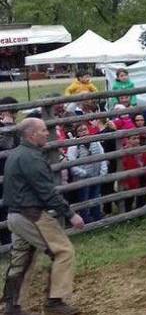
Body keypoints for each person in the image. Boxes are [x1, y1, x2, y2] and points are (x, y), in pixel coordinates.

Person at [1, 118, 84, 315]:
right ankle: (55, 301)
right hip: (31, 215)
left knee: (22, 259)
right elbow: (47, 191)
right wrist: (70, 214)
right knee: (63, 251)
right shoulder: (32, 158)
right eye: (44, 130)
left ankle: (12, 306)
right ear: (32, 134)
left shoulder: (16, 154)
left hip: (15, 216)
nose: (47, 133)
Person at [66, 123, 108, 224]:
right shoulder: (73, 146)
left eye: (85, 129)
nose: (83, 132)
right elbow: (72, 164)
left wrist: (103, 170)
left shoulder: (95, 142)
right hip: (82, 179)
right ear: (76, 133)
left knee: (96, 196)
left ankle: (97, 216)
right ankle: (86, 219)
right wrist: (84, 173)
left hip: (96, 175)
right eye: (80, 131)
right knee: (84, 199)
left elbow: (102, 156)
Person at [0, 96, 19, 246]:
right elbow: (6, 146)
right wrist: (8, 126)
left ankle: (9, 240)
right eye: (13, 111)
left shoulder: (13, 125)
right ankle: (6, 241)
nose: (15, 114)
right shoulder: (6, 125)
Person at [119, 135, 146, 211]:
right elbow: (123, 166)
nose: (137, 140)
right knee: (129, 196)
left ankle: (141, 210)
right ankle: (128, 212)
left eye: (138, 138)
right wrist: (124, 181)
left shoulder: (141, 149)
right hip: (130, 176)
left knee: (142, 193)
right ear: (128, 140)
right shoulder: (125, 151)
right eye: (134, 138)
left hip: (142, 174)